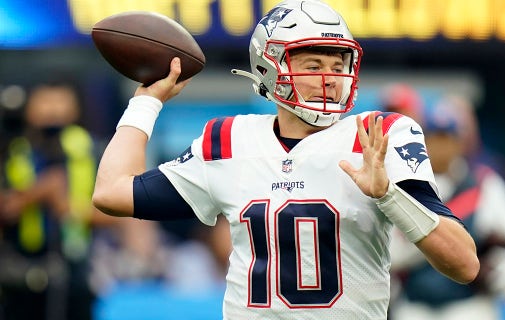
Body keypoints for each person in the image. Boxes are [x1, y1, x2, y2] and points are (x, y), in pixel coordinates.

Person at [91, 1, 479, 319]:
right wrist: (145, 103)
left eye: (338, 65)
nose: (331, 78)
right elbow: (111, 192)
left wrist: (390, 196)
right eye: (313, 65)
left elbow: (464, 265)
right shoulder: (229, 141)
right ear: (269, 67)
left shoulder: (378, 136)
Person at [388, 99, 505, 320]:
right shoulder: (404, 184)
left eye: (447, 139)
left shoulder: (483, 183)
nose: (441, 147)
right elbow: (389, 253)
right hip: (415, 303)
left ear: (460, 143)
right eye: (434, 138)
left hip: (469, 304)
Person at [0, 81, 97, 320]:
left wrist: (70, 208)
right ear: (29, 108)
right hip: (19, 276)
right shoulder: (12, 149)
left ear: (75, 109)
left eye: (60, 102)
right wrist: (40, 191)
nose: (52, 111)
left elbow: (117, 213)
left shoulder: (91, 149)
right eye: (45, 102)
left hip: (74, 274)